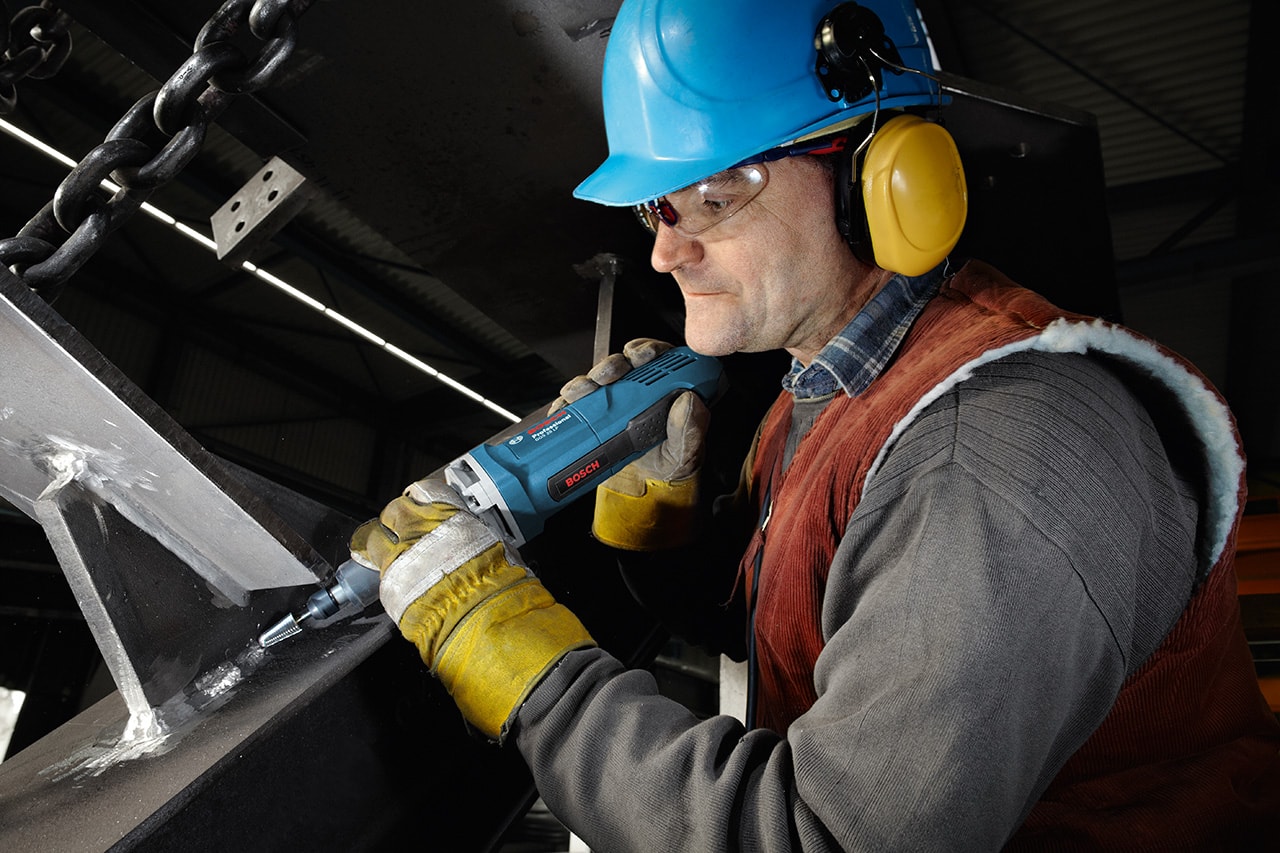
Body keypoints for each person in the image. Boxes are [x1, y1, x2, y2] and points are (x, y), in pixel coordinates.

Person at [351, 0, 1280, 848]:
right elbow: (780, 623)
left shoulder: (994, 445)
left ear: (882, 177)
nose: (667, 251)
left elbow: (821, 838)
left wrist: (519, 667)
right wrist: (658, 520)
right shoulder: (818, 395)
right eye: (655, 206)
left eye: (716, 195)